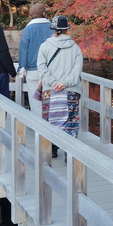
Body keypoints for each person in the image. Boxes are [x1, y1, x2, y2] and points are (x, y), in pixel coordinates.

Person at [37, 16, 83, 156]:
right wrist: (64, 83)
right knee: (70, 120)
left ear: (53, 30)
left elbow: (41, 68)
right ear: (66, 30)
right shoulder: (75, 48)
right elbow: (77, 70)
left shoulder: (44, 46)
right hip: (70, 90)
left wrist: (52, 83)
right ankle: (69, 152)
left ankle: (52, 149)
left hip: (50, 91)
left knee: (50, 119)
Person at [18, 3, 53, 116]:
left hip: (33, 70)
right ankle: (50, 126)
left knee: (35, 102)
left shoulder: (28, 29)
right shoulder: (52, 27)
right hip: (50, 69)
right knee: (50, 100)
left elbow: (24, 50)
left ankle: (39, 129)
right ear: (43, 13)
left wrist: (21, 68)